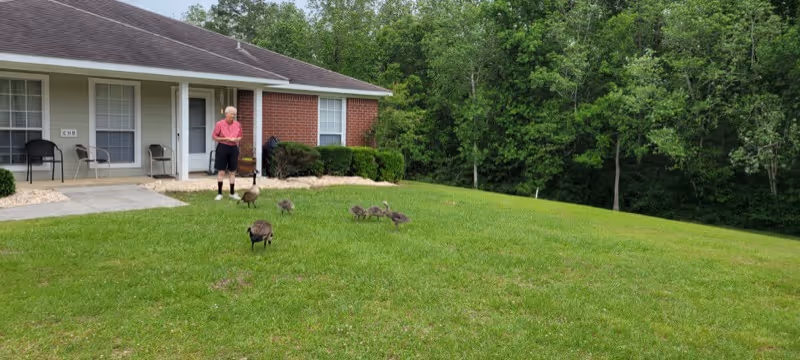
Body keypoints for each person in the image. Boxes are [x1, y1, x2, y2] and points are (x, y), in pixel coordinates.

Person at [212, 106, 243, 201]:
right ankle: (219, 193)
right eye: (231, 114)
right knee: (221, 171)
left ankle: (232, 193)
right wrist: (225, 139)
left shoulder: (237, 124)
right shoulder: (219, 124)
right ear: (226, 114)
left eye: (234, 114)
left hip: (233, 148)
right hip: (223, 147)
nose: (233, 116)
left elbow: (240, 136)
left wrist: (236, 139)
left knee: (232, 171)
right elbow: (214, 136)